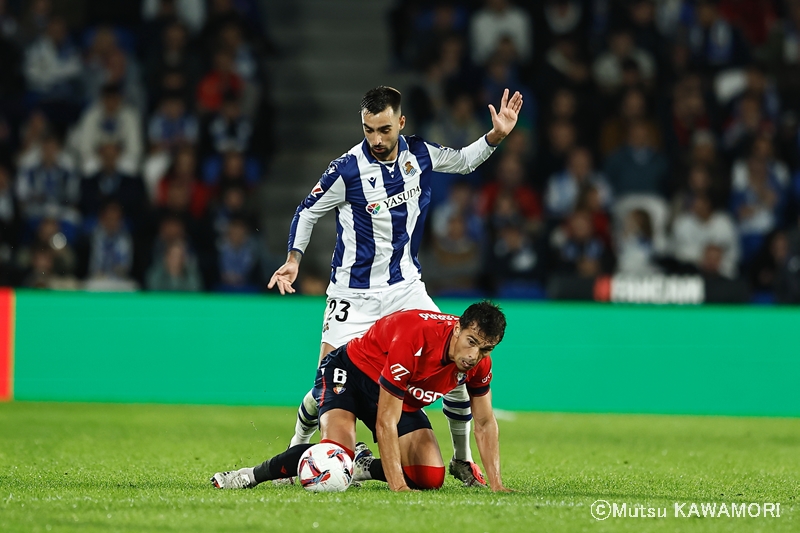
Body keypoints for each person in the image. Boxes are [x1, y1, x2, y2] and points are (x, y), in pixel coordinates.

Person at [267, 85, 523, 487]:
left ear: (400, 123)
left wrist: (496, 137)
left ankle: (462, 459)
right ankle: (298, 446)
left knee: (455, 358)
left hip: (405, 288)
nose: (377, 140)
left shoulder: (419, 154)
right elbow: (306, 211)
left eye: (384, 130)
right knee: (324, 386)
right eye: (369, 130)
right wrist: (294, 260)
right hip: (352, 295)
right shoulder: (346, 169)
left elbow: (463, 161)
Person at [211, 301, 511, 492]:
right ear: (457, 328)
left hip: (396, 393)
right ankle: (249, 475)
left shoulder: (479, 363)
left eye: (485, 349)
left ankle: (363, 465)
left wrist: (497, 484)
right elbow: (385, 421)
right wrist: (398, 486)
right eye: (471, 342)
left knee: (429, 477)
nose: (474, 356)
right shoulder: (415, 337)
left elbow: (484, 422)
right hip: (352, 374)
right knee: (332, 454)